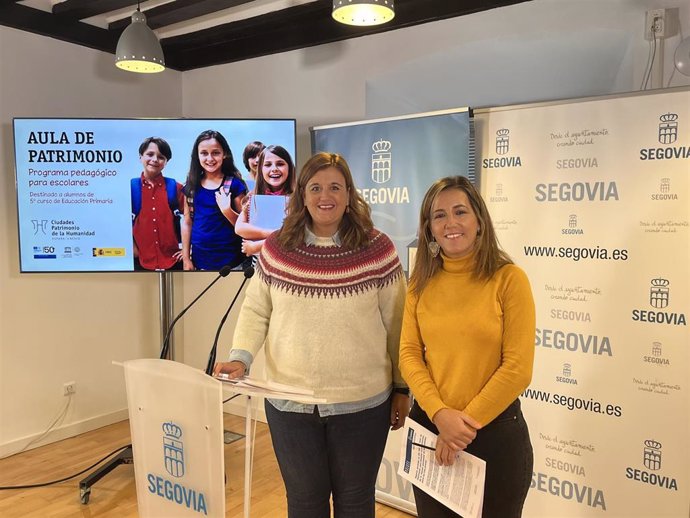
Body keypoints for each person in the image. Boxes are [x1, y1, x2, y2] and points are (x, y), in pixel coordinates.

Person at [214, 152, 410, 518]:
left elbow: (398, 324)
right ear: (302, 194)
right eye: (316, 187)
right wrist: (242, 357)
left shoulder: (378, 249)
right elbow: (257, 309)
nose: (326, 196)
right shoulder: (276, 248)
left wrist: (402, 387)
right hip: (290, 405)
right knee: (305, 504)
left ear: (349, 194)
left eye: (336, 187)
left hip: (363, 405)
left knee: (355, 503)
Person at [399, 176, 535, 518]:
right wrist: (441, 417)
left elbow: (517, 368)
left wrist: (461, 427)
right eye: (439, 215)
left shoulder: (509, 279)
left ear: (479, 221)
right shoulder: (420, 281)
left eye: (460, 211)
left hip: (496, 436)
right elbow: (409, 354)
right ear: (429, 228)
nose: (451, 223)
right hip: (431, 429)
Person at [181, 130, 248, 271]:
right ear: (197, 156)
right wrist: (186, 258)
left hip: (232, 262)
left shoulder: (235, 185)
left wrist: (227, 210)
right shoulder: (191, 187)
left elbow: (245, 227)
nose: (210, 158)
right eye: (204, 153)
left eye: (215, 152)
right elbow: (187, 223)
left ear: (224, 154)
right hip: (200, 262)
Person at [131, 137, 184, 271]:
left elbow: (193, 220)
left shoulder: (175, 187)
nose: (155, 159)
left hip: (173, 261)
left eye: (161, 157)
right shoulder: (131, 188)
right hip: (140, 261)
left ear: (166, 162)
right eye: (150, 154)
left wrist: (188, 249)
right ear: (140, 157)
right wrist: (131, 248)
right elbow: (117, 224)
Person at [235, 145, 295, 257]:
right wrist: (271, 233)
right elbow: (239, 228)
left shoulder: (297, 199)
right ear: (260, 169)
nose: (274, 169)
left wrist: (256, 246)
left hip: (287, 263)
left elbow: (293, 236)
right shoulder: (253, 196)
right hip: (259, 262)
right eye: (267, 165)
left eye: (280, 164)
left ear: (290, 168)